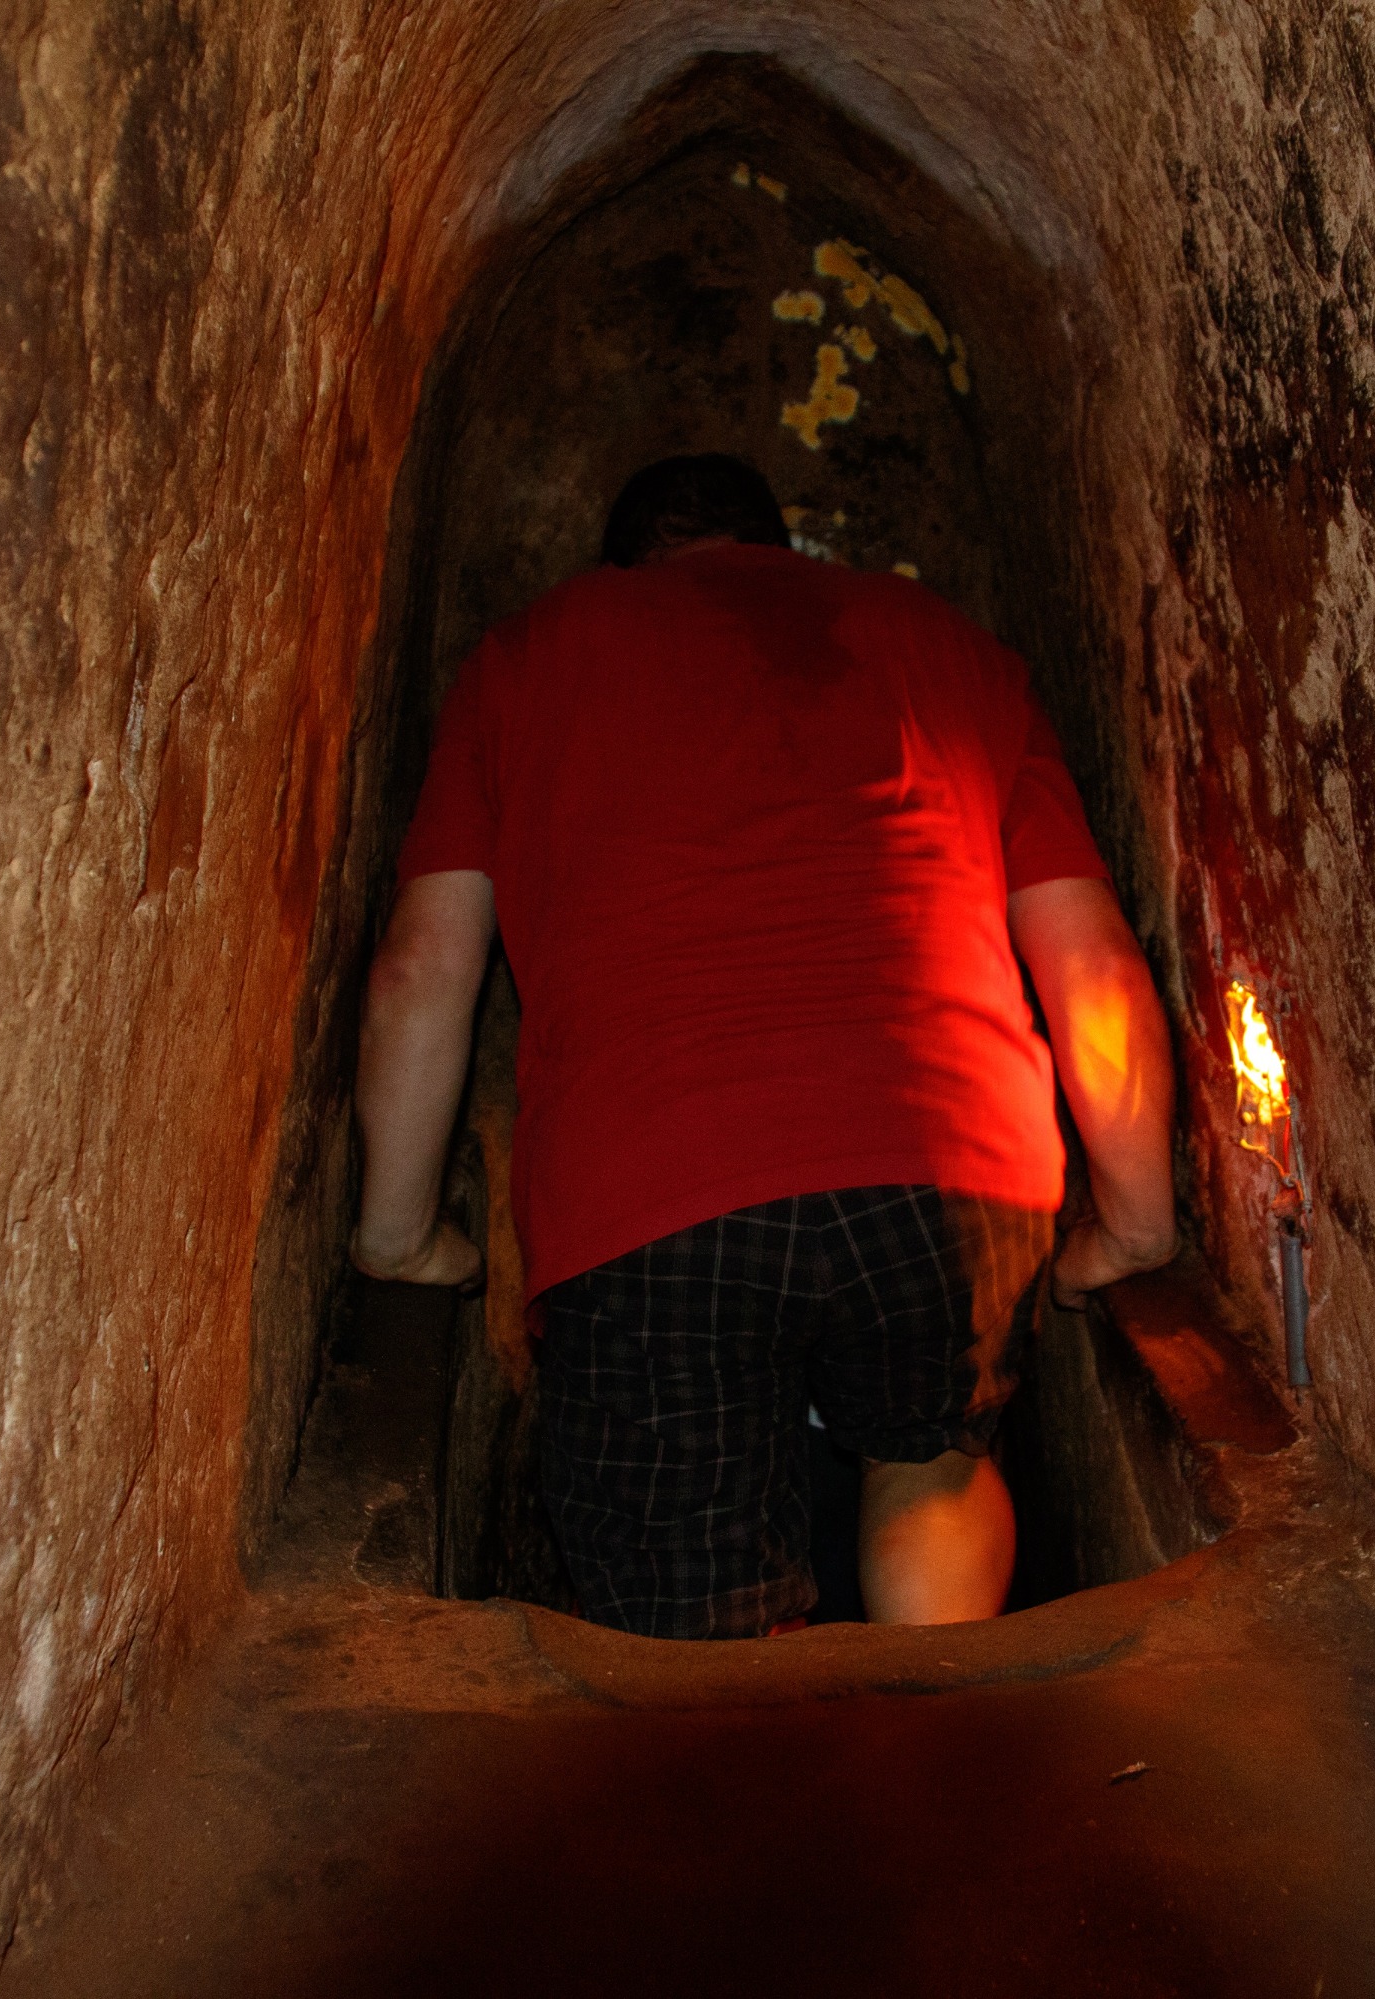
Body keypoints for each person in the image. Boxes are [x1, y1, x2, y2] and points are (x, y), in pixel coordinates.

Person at [350, 453, 1173, 1638]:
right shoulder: (938, 639)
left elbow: (421, 969)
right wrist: (1137, 1221)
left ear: (622, 568)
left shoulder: (529, 656)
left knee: (698, 1592)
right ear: (776, 549)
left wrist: (399, 1233)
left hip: (654, 1194)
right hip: (946, 1172)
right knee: (927, 1458)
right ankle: (931, 1733)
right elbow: (1090, 963)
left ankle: (753, 1781)